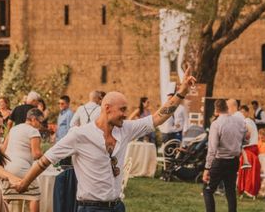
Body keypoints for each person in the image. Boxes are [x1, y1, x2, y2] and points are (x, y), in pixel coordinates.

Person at [17, 69, 197, 211]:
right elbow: (44, 161)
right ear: (107, 108)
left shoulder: (125, 129)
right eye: (122, 109)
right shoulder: (80, 135)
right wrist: (24, 183)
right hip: (90, 208)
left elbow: (158, 117)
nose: (125, 114)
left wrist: (181, 92)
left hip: (117, 206)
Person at [202, 99, 247, 212]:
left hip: (220, 161)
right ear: (227, 108)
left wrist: (207, 168)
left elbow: (212, 149)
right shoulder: (239, 121)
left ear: (216, 110)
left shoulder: (216, 124)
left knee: (208, 190)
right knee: (230, 191)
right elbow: (246, 138)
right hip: (234, 161)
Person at [1, 108, 44, 212]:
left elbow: (3, 149)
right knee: (35, 196)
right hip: (22, 168)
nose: (41, 125)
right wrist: (46, 155)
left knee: (7, 198)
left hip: (7, 168)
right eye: (40, 121)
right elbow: (36, 154)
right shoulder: (33, 131)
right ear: (33, 119)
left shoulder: (14, 129)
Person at [237, 105, 261, 197]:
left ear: (247, 112)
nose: (242, 114)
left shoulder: (246, 121)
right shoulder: (251, 121)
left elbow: (247, 134)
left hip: (249, 148)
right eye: (240, 112)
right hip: (253, 147)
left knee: (246, 170)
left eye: (243, 112)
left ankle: (246, 188)